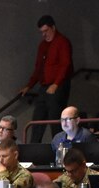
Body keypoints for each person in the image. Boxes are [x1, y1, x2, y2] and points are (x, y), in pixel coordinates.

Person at [18, 15, 73, 145]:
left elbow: (65, 65)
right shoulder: (43, 45)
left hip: (58, 86)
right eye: (41, 32)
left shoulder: (62, 42)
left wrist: (56, 83)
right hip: (45, 86)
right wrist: (29, 85)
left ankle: (60, 150)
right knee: (37, 119)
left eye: (46, 31)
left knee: (56, 121)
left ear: (53, 28)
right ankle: (33, 150)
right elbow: (38, 68)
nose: (44, 34)